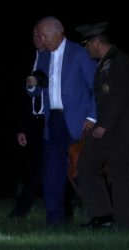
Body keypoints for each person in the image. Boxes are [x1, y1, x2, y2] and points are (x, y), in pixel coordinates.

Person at [27, 16, 97, 225]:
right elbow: (37, 89)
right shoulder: (43, 56)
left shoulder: (79, 53)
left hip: (78, 122)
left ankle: (98, 216)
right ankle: (55, 219)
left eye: (44, 35)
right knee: (52, 172)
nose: (40, 39)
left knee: (82, 171)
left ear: (59, 32)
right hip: (54, 121)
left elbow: (98, 87)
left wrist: (92, 116)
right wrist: (32, 86)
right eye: (38, 35)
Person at [75, 22, 129, 229]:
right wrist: (94, 121)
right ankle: (102, 217)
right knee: (86, 168)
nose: (86, 48)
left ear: (96, 42)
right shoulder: (105, 63)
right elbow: (103, 99)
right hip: (102, 130)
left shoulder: (120, 61)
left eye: (87, 44)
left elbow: (120, 95)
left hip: (121, 130)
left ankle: (125, 224)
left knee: (120, 176)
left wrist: (104, 125)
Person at [7, 28, 47, 219]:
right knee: (38, 166)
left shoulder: (55, 60)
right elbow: (20, 98)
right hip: (32, 122)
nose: (37, 38)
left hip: (51, 120)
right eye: (34, 35)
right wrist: (21, 128)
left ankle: (20, 211)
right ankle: (64, 211)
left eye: (41, 34)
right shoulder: (27, 61)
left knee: (41, 167)